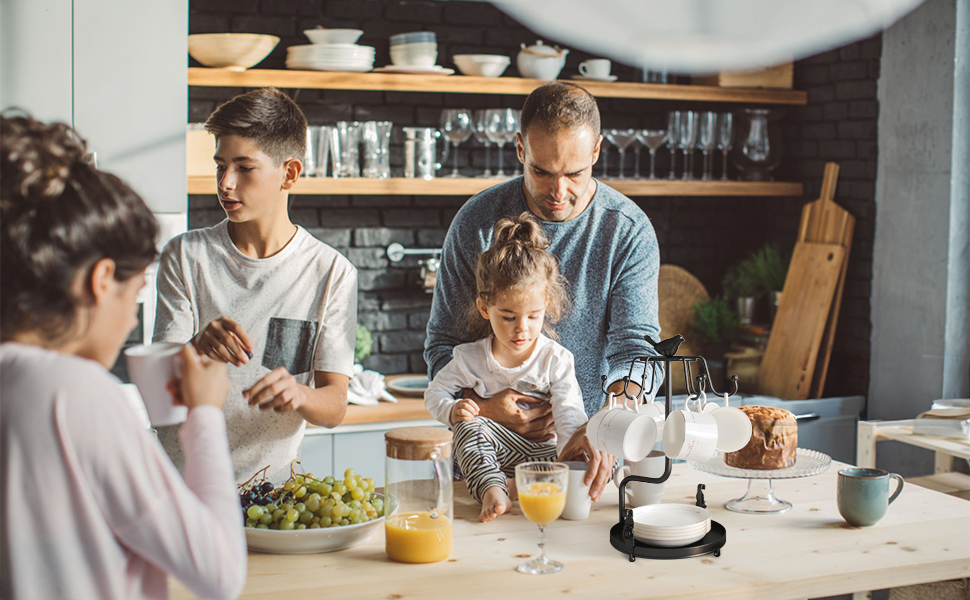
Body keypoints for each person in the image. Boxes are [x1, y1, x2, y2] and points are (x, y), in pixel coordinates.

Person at [0, 113, 246, 599]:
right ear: (100, 280)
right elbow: (219, 573)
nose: (131, 322)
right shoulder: (74, 393)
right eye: (133, 295)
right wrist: (204, 412)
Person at [424, 82, 663, 502]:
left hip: (586, 459)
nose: (558, 192)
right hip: (485, 463)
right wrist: (483, 405)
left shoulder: (627, 230)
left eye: (574, 174)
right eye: (542, 172)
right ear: (520, 149)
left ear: (596, 152)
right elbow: (443, 344)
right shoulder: (475, 224)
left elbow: (638, 350)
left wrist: (610, 417)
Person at [153, 87, 357, 484]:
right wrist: (195, 349)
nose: (226, 183)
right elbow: (158, 397)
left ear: (290, 173)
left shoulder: (332, 272)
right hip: (180, 485)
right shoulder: (185, 255)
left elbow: (334, 408)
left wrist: (301, 394)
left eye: (244, 168)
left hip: (272, 493)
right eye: (220, 166)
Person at [425, 213, 587, 522]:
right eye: (508, 317)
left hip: (545, 454)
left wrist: (570, 459)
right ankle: (494, 490)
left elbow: (569, 414)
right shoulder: (469, 358)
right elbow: (434, 392)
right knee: (468, 427)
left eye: (533, 316)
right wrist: (451, 409)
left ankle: (523, 485)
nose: (521, 329)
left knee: (589, 446)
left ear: (547, 307)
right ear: (485, 308)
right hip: (494, 452)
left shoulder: (556, 359)